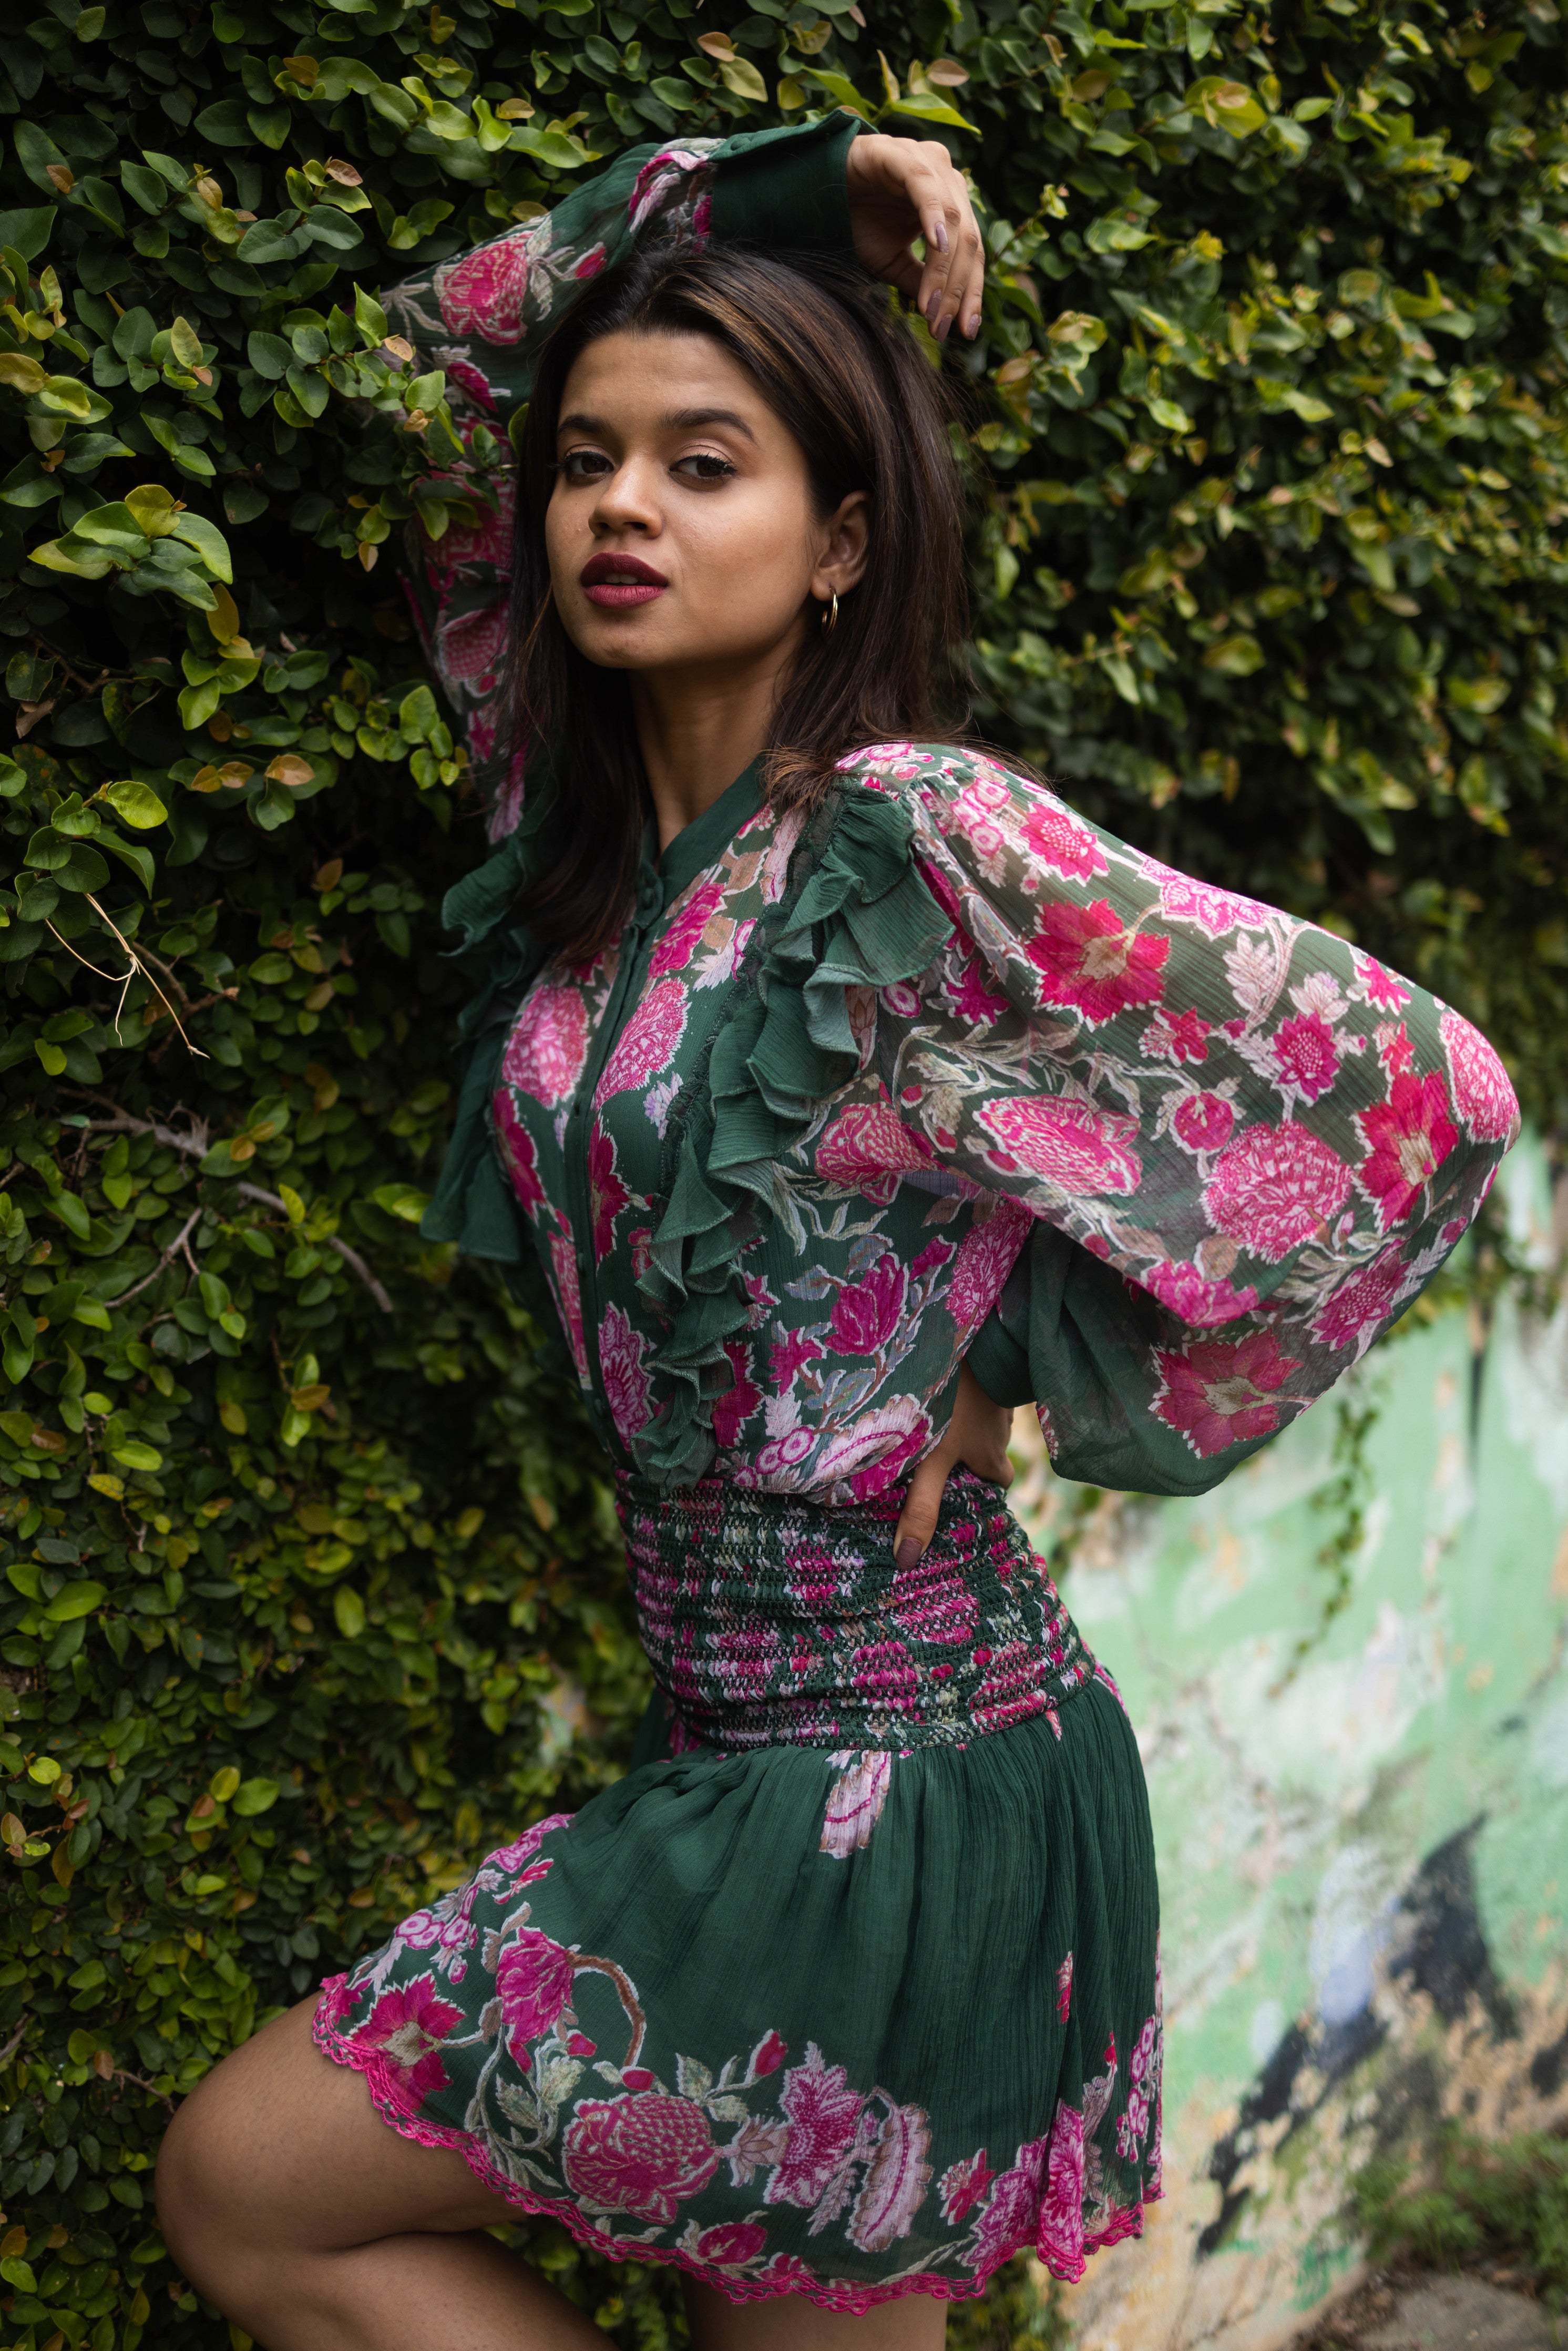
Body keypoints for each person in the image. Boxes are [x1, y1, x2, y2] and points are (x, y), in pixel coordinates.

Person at [155, 117, 1518, 2349]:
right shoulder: (565, 831)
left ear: (832, 542)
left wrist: (1036, 1388)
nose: (618, 503)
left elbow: (1412, 1100)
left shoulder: (903, 843)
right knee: (261, 2193)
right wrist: (768, 196)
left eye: (706, 463)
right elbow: (412, 380)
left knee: (246, 2178)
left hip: (909, 1767)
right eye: (590, 459)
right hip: (735, 1756)